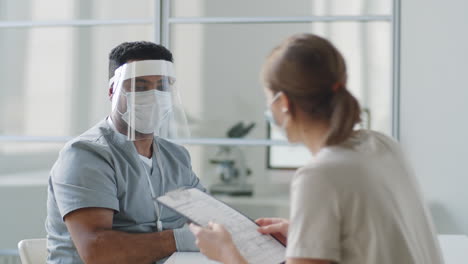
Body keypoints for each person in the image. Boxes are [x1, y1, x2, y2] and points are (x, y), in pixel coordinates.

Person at [189, 34, 444, 264]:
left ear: (284, 103)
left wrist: (227, 255)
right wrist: (307, 236)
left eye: (268, 100)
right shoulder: (382, 145)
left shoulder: (319, 175)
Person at [46, 41, 205, 264]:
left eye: (162, 87)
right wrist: (179, 239)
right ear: (113, 90)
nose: (153, 96)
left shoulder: (175, 156)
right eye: (139, 87)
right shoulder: (85, 155)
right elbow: (97, 251)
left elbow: (206, 218)